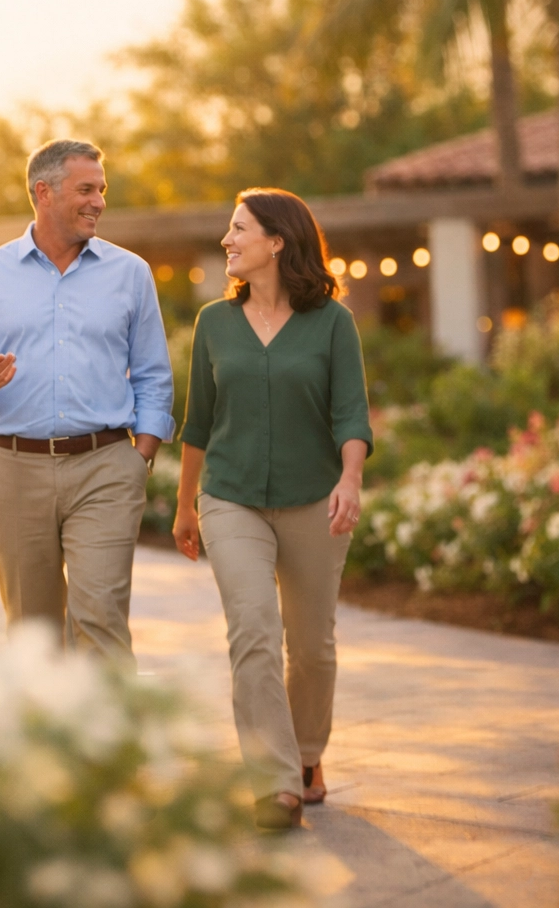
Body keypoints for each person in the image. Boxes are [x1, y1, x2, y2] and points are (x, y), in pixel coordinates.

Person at [171, 188, 372, 830]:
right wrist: (185, 505)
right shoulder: (213, 323)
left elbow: (351, 413)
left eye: (238, 229)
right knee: (253, 630)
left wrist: (350, 479)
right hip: (230, 499)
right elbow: (198, 422)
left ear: (277, 241)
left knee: (312, 647)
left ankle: (308, 756)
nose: (227, 240)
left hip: (315, 497)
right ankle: (275, 782)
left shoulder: (333, 322)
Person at [0, 139, 173, 668]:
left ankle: (111, 750)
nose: (99, 202)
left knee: (101, 617)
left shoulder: (130, 273)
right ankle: (51, 749)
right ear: (44, 193)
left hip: (106, 466)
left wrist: (141, 457)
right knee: (33, 634)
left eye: (101, 190)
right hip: (14, 470)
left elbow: (154, 374)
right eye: (86, 190)